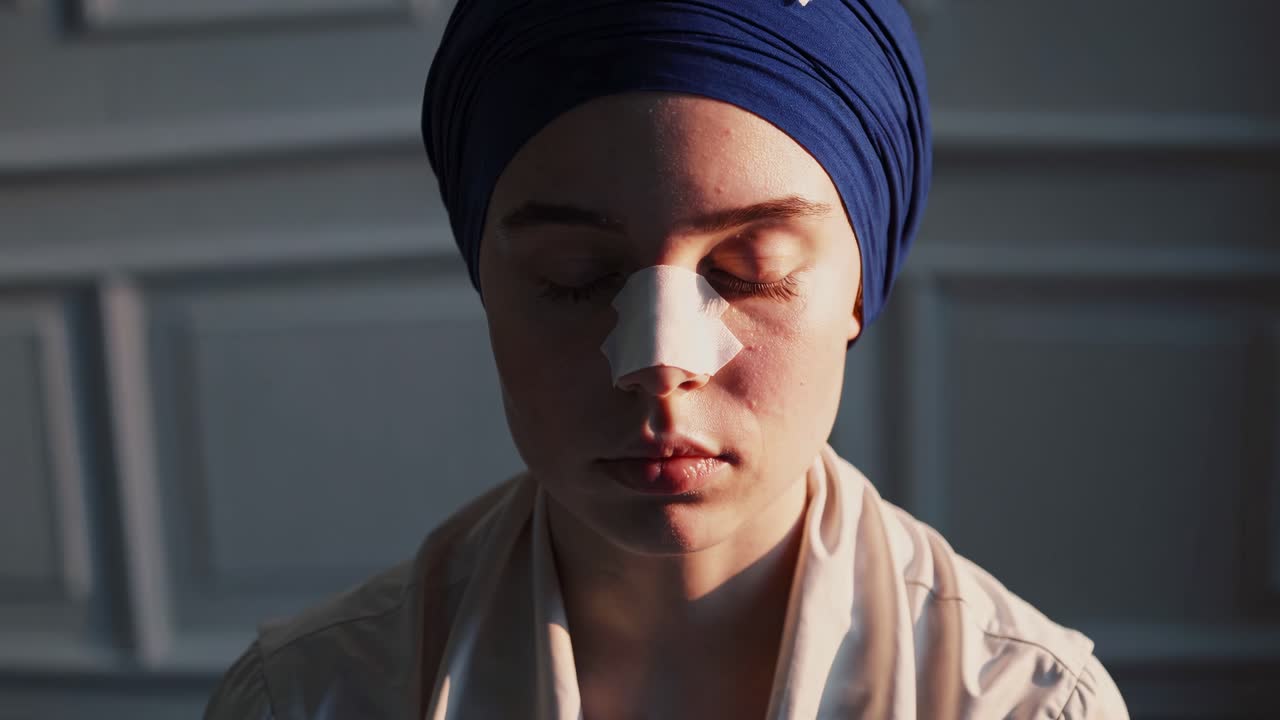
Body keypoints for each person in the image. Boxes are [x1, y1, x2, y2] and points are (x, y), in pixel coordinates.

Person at [205, 1, 1130, 718]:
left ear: (859, 286)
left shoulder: (1023, 703)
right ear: (485, 278)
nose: (656, 364)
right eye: (576, 276)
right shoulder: (311, 699)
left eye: (748, 270)